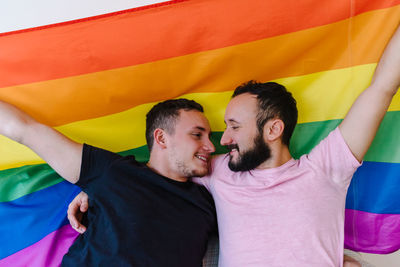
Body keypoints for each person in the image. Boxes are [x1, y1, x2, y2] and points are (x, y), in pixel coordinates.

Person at [69, 23, 400, 266]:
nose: (222, 140)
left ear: (273, 129)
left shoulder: (326, 167)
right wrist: (98, 189)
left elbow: (382, 86)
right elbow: (164, 169)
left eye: (234, 127)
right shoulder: (220, 171)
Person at [0, 98, 217, 266]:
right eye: (197, 135)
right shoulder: (113, 172)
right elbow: (26, 130)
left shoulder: (210, 202)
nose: (211, 146)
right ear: (161, 138)